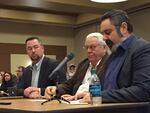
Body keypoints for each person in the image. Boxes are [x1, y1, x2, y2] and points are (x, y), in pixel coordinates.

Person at [63, 9, 150, 103]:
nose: (104, 38)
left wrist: (100, 96)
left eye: (107, 32)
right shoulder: (113, 55)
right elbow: (108, 88)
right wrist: (89, 94)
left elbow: (143, 91)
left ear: (124, 28)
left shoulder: (141, 49)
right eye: (103, 33)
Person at [44, 32, 111, 100]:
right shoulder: (83, 64)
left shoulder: (110, 63)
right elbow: (70, 84)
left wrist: (88, 96)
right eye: (86, 47)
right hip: (76, 104)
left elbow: (110, 90)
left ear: (104, 48)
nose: (88, 51)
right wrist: (56, 89)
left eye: (92, 47)